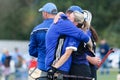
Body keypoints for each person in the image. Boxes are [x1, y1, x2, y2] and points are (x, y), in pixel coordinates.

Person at [45, 8, 94, 80]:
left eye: (70, 17)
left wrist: (53, 68)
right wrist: (59, 13)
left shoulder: (72, 33)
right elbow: (62, 15)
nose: (67, 18)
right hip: (57, 67)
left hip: (58, 68)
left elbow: (68, 53)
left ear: (76, 23)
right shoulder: (65, 23)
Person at [29, 2, 58, 80]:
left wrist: (42, 52)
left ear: (45, 14)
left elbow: (32, 51)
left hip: (43, 68)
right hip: (60, 70)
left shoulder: (37, 30)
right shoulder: (64, 28)